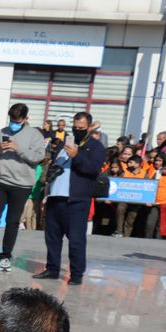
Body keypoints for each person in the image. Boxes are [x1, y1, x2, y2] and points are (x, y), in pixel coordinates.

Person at [32, 112, 106, 285]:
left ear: (89, 127)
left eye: (81, 128)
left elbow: (93, 169)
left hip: (77, 200)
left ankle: (77, 274)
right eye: (75, 127)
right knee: (52, 237)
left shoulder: (96, 147)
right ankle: (52, 269)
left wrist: (77, 156)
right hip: (55, 197)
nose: (77, 130)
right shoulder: (65, 143)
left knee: (76, 239)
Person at [0, 103, 47, 272]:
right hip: (0, 181)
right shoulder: (2, 132)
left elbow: (38, 157)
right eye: (12, 119)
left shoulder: (35, 135)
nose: (14, 123)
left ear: (25, 119)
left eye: (17, 120)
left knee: (12, 221)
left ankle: (6, 256)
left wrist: (18, 148)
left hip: (22, 185)